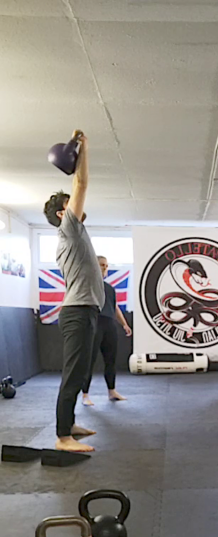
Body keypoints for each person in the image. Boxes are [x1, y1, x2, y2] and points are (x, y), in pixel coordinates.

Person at [43, 131, 104, 453]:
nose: (77, 206)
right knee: (72, 374)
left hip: (87, 311)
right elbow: (80, 185)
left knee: (81, 372)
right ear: (60, 214)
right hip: (78, 312)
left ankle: (70, 425)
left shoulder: (77, 234)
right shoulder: (68, 229)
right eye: (69, 206)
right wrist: (83, 149)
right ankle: (62, 437)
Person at [82, 256, 132, 406]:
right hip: (94, 324)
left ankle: (112, 391)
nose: (104, 268)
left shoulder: (109, 288)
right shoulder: (86, 284)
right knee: (89, 361)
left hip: (109, 324)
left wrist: (124, 324)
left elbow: (115, 307)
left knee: (111, 360)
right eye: (101, 265)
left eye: (106, 265)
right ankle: (85, 394)